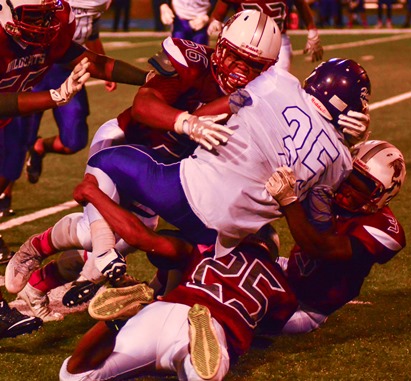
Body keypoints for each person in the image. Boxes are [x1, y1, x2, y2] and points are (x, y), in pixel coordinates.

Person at [7, 10, 287, 317]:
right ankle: (35, 248)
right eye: (235, 57)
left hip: (163, 171)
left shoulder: (261, 96)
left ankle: (38, 284)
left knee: (108, 251)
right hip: (124, 144)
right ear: (220, 47)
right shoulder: (191, 60)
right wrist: (186, 122)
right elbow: (142, 106)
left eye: (253, 65)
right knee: (93, 236)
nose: (240, 70)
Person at [0, 0, 152, 333]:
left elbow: (92, 62)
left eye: (46, 15)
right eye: (33, 16)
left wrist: (149, 78)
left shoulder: (48, 34)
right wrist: (52, 97)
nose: (42, 24)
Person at [57, 176, 297, 380]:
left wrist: (94, 194)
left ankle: (113, 323)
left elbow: (145, 239)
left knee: (75, 375)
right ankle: (199, 347)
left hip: (163, 310)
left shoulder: (205, 250)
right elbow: (273, 326)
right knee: (206, 375)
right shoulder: (281, 286)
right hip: (212, 322)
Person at [264, 140, 407, 333]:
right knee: (260, 239)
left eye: (359, 187)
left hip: (306, 308)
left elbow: (322, 249)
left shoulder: (383, 229)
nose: (346, 189)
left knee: (245, 312)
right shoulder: (331, 187)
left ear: (382, 194)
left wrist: (289, 201)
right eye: (348, 178)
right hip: (289, 271)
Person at [25, 0, 116, 187]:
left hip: (70, 72)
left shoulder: (96, 5)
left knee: (74, 141)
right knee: (18, 136)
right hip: (34, 67)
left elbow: (92, 35)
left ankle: (40, 147)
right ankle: (5, 194)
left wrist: (105, 68)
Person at [207, 0, 324, 71]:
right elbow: (217, 15)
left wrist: (312, 30)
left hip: (277, 41)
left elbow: (300, 4)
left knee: (278, 85)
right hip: (244, 40)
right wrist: (215, 23)